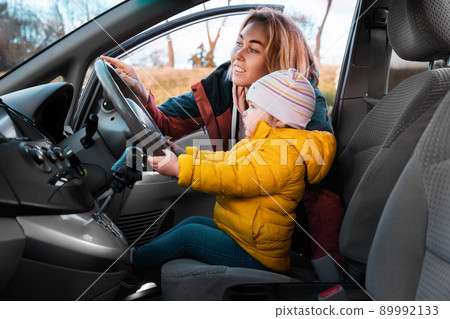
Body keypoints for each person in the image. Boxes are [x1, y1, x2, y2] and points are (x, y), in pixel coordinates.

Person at [126, 69, 336, 281]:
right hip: (241, 236)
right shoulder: (262, 142)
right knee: (192, 223)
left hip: (255, 254)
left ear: (279, 120)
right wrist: (183, 156)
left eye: (253, 107)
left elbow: (232, 176)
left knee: (188, 236)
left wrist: (181, 169)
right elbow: (226, 161)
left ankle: (131, 266)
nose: (245, 111)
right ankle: (140, 258)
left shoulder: (285, 155)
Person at [101, 7, 332, 152]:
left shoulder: (306, 103)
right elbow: (165, 124)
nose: (236, 56)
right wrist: (141, 92)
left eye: (253, 50)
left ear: (278, 62)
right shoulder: (224, 85)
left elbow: (321, 191)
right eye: (239, 43)